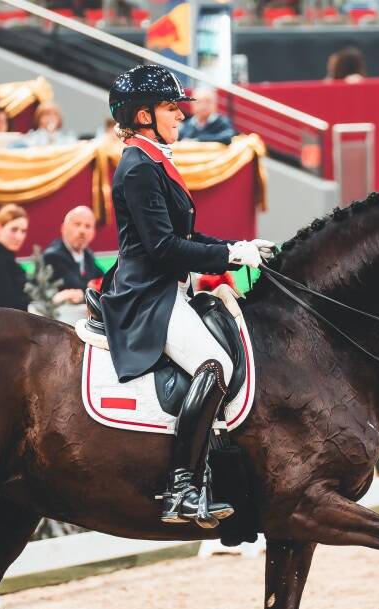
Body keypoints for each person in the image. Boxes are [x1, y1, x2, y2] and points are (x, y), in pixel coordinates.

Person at [103, 65, 274, 525]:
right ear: (143, 115)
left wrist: (235, 248)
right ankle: (182, 485)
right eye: (170, 108)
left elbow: (187, 234)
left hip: (169, 286)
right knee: (213, 366)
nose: (180, 116)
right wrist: (229, 257)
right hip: (147, 294)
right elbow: (162, 247)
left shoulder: (155, 159)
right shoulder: (137, 167)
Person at [41, 205, 103, 306]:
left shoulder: (87, 255)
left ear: (93, 233)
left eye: (88, 226)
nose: (82, 231)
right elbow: (73, 286)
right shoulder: (52, 256)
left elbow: (103, 280)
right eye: (77, 224)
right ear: (63, 228)